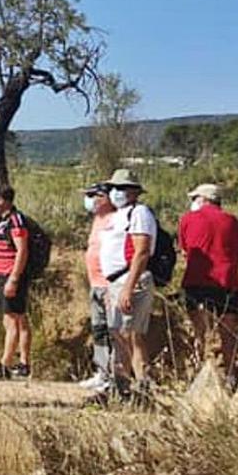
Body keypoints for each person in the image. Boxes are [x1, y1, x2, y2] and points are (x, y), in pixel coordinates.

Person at [178, 183, 238, 391]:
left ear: (202, 199)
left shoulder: (188, 219)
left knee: (200, 331)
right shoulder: (232, 221)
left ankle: (203, 372)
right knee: (228, 330)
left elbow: (184, 251)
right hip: (227, 281)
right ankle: (229, 375)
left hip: (196, 281)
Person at [98, 169, 158, 400]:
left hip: (130, 281)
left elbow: (141, 252)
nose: (116, 192)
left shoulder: (139, 213)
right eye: (114, 188)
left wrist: (128, 288)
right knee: (120, 335)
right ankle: (121, 386)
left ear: (133, 192)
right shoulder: (118, 216)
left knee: (131, 335)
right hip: (117, 282)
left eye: (121, 188)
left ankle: (143, 385)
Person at [0, 185, 32, 381]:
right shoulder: (1, 221)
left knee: (11, 321)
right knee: (19, 319)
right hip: (4, 275)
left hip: (12, 276)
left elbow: (22, 251)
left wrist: (13, 279)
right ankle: (24, 363)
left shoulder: (15, 220)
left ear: (3, 200)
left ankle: (5, 366)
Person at [78, 184, 116, 394]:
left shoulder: (115, 219)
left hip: (109, 284)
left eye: (94, 196)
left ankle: (113, 375)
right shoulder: (97, 220)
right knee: (99, 330)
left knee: (113, 332)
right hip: (95, 284)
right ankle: (101, 372)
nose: (90, 200)